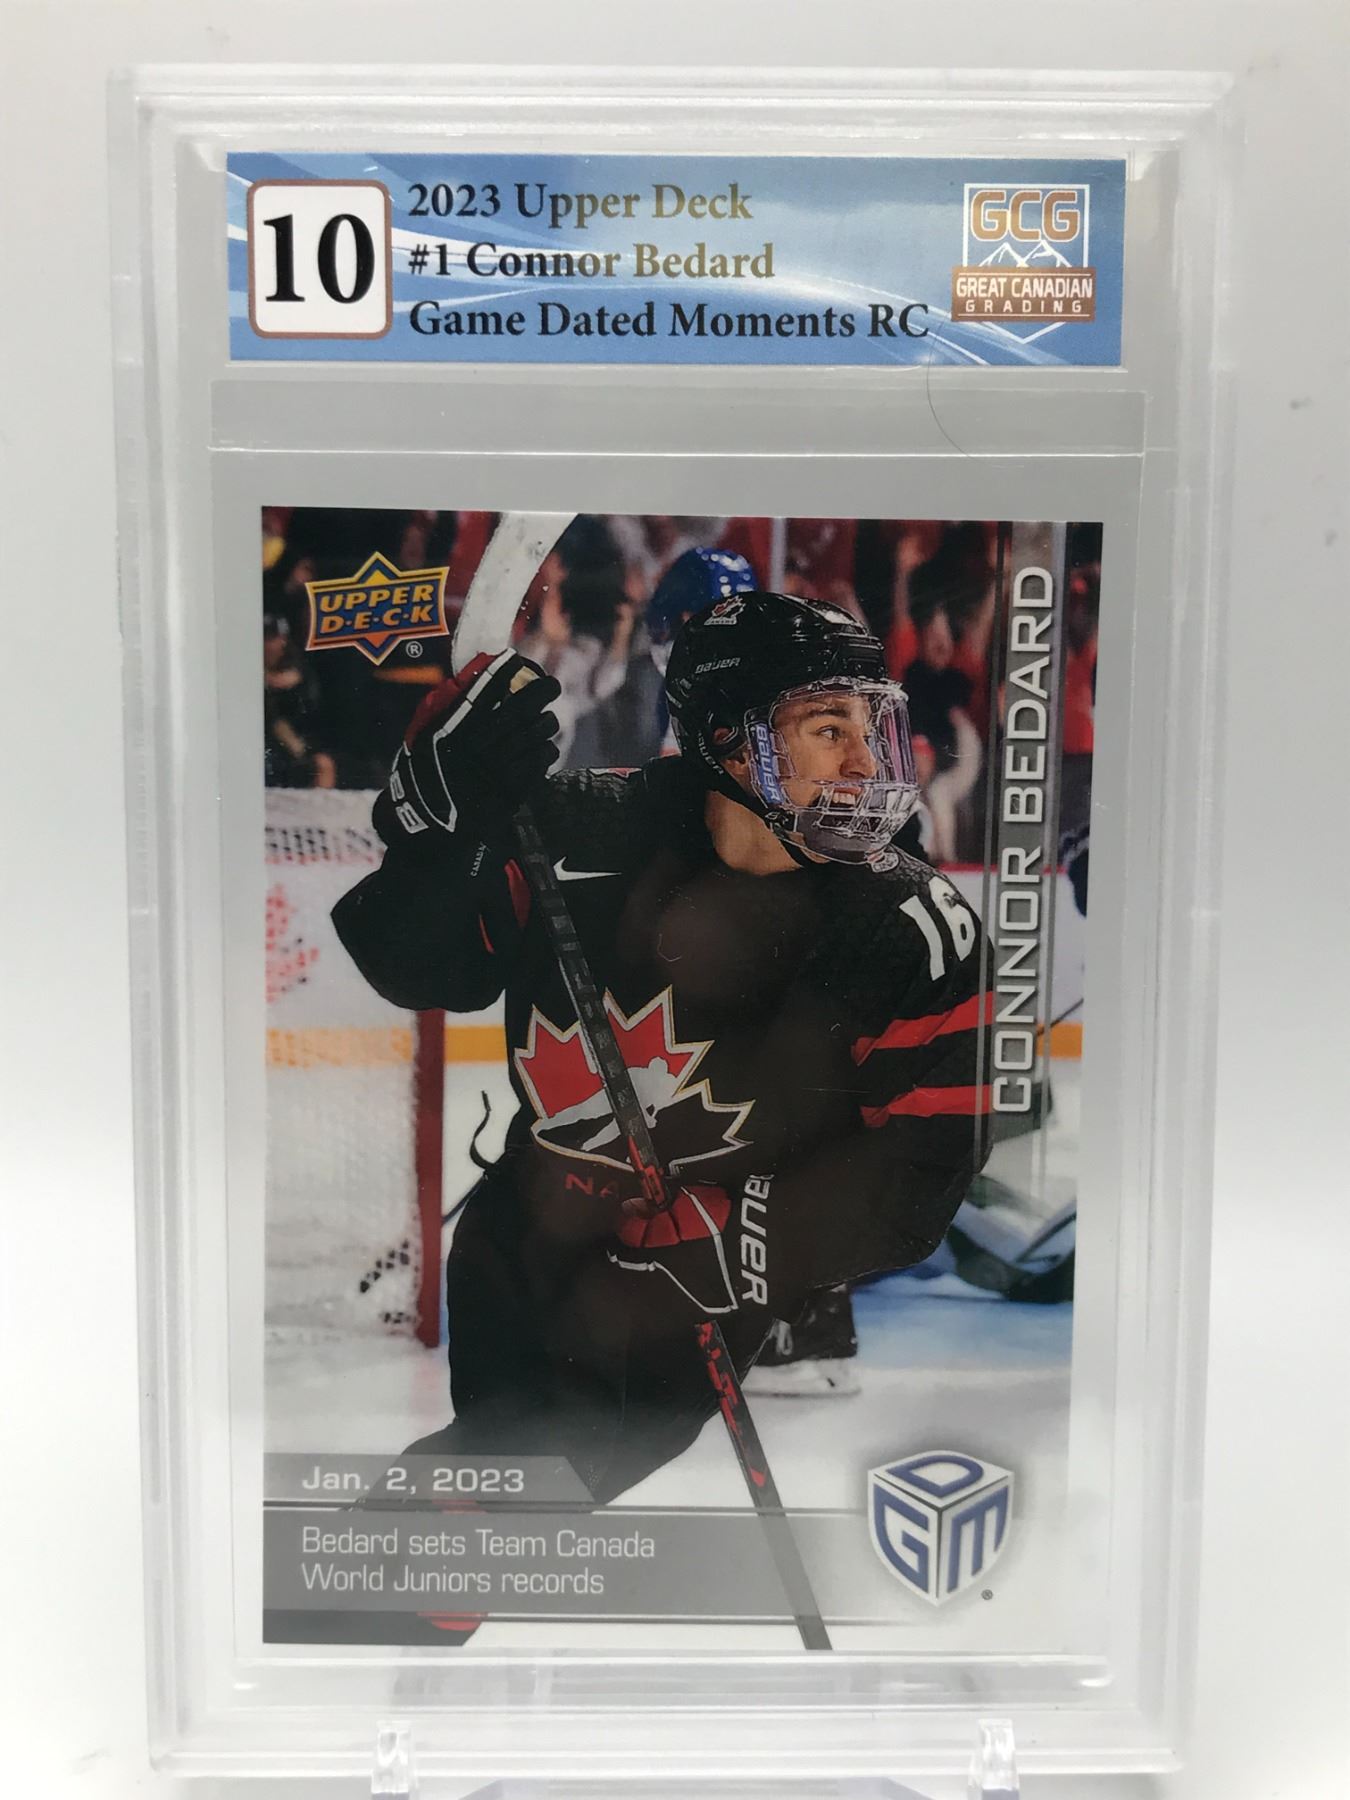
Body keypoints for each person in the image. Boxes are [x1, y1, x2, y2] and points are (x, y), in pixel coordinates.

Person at [333, 591, 992, 1507]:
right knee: (505, 1485)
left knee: (514, 1487)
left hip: (686, 1292)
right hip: (519, 1242)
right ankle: (376, 1584)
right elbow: (417, 967)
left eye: (869, 726)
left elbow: (927, 1167)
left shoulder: (911, 927)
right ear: (729, 741)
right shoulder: (578, 833)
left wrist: (746, 1233)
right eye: (826, 729)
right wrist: (442, 834)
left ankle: (363, 1578)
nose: (864, 759)